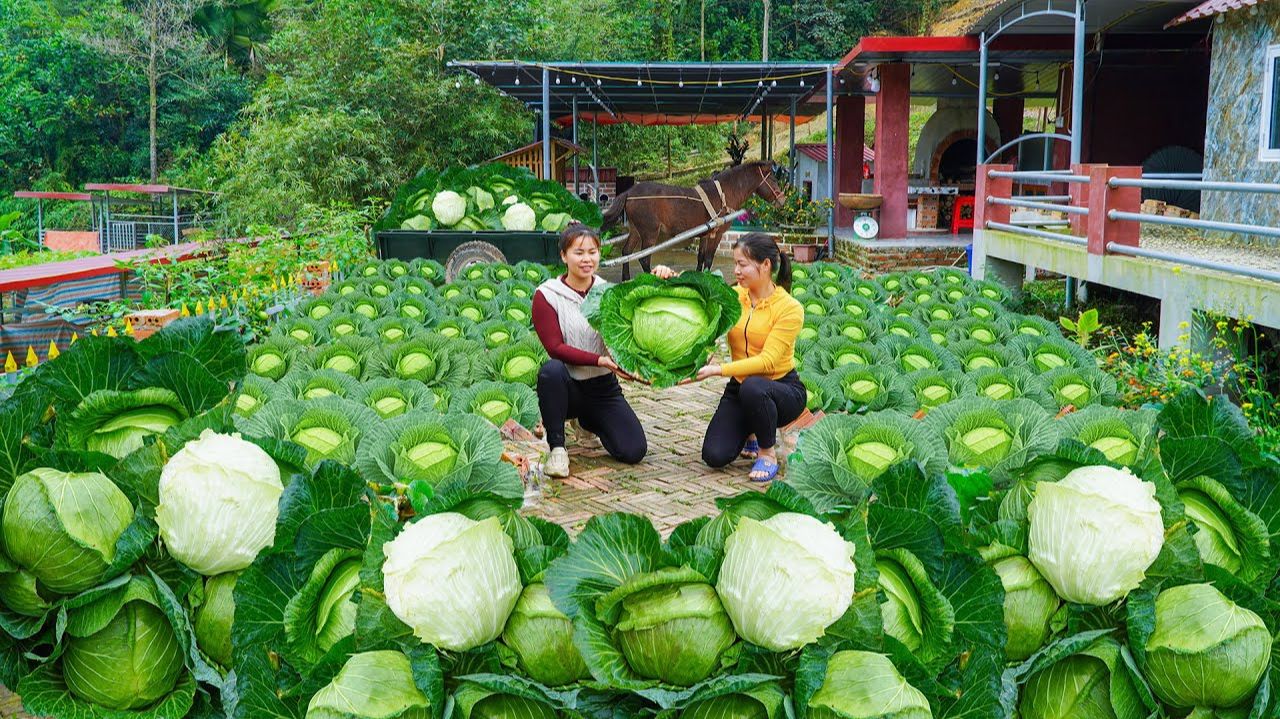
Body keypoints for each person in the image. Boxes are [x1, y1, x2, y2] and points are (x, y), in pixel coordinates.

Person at [679, 232, 805, 482]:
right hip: (740, 389)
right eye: (735, 263)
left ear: (765, 265)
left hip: (781, 389)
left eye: (742, 264)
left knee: (754, 386)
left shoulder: (790, 308)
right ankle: (751, 431)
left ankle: (767, 452)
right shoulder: (735, 297)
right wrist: (668, 277)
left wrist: (719, 370)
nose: (736, 270)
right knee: (714, 455)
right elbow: (696, 300)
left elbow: (768, 361)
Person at [532, 224, 647, 478]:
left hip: (603, 388)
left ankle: (586, 423)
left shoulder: (608, 292)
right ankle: (558, 448)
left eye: (593, 252)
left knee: (633, 450)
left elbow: (627, 337)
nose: (587, 259)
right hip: (567, 387)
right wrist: (600, 359)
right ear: (563, 256)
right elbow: (555, 348)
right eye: (579, 252)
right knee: (550, 371)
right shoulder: (547, 295)